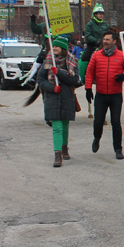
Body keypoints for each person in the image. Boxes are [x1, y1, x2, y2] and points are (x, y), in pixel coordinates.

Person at [37, 36, 80, 167]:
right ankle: (57, 154)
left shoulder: (72, 61)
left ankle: (64, 146)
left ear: (63, 48)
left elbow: (75, 80)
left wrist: (60, 73)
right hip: (52, 98)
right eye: (53, 46)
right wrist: (51, 88)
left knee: (65, 125)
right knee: (57, 127)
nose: (54, 48)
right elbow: (40, 79)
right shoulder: (48, 61)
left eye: (57, 46)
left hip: (67, 97)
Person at [85, 31, 124, 159]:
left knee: (116, 122)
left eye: (108, 39)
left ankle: (118, 149)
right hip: (101, 94)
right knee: (98, 121)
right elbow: (89, 72)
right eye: (104, 39)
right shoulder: (96, 55)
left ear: (114, 41)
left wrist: (123, 76)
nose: (105, 41)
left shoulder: (121, 55)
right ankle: (97, 138)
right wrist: (88, 88)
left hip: (116, 95)